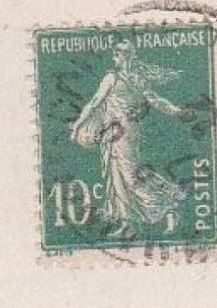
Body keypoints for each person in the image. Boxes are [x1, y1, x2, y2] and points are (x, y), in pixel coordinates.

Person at [70, 39, 195, 239]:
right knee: (118, 175)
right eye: (114, 55)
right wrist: (177, 110)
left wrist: (77, 125)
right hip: (120, 131)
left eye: (117, 55)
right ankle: (127, 223)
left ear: (126, 56)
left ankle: (166, 205)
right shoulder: (136, 79)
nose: (114, 58)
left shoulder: (113, 78)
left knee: (129, 175)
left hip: (121, 132)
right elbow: (156, 101)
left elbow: (94, 103)